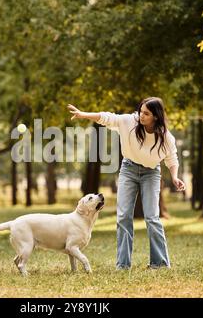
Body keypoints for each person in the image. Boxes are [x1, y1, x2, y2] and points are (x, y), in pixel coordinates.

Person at [67, 97, 185, 270]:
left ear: (156, 117)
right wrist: (83, 114)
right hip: (128, 169)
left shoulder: (166, 137)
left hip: (151, 173)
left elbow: (171, 158)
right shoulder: (130, 121)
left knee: (152, 217)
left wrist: (174, 177)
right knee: (123, 216)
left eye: (146, 113)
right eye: (141, 111)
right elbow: (107, 117)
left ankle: (159, 263)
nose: (141, 115)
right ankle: (123, 265)